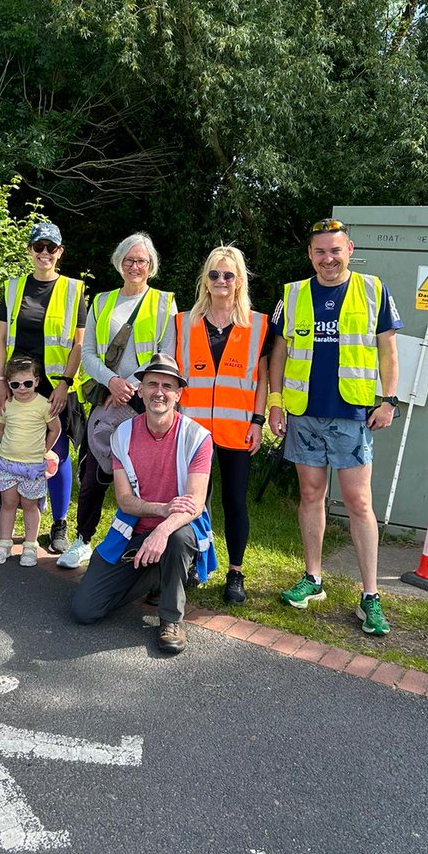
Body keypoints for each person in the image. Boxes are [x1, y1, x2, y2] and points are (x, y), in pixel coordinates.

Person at [267, 217, 402, 635]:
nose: (328, 258)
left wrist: (389, 400)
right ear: (310, 254)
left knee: (359, 503)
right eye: (320, 251)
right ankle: (313, 579)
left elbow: (388, 351)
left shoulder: (373, 289)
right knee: (310, 494)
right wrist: (274, 401)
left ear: (350, 249)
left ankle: (370, 596)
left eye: (335, 250)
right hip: (303, 413)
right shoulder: (292, 295)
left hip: (352, 414)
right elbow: (279, 353)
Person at [71, 353, 216, 655]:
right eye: (152, 384)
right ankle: (154, 573)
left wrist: (162, 530)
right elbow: (125, 500)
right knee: (85, 610)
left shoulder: (197, 436)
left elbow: (195, 503)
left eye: (167, 385)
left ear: (178, 394)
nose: (159, 392)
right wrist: (161, 510)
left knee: (176, 539)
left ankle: (170, 619)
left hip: (178, 529)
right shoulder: (122, 434)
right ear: (140, 390)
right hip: (134, 529)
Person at [59, 233, 177, 570]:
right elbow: (89, 354)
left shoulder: (165, 303)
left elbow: (164, 353)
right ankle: (83, 539)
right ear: (119, 263)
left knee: (147, 475)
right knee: (95, 469)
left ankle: (141, 540)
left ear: (151, 265)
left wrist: (131, 384)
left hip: (146, 401)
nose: (135, 266)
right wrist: (111, 382)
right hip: (108, 398)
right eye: (129, 260)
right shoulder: (101, 301)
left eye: (141, 261)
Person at [175, 246, 269, 605]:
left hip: (237, 429)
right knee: (192, 500)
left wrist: (258, 421)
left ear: (239, 280)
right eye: (214, 274)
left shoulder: (258, 324)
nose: (221, 281)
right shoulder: (183, 322)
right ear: (205, 280)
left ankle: (235, 572)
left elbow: (262, 380)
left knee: (234, 502)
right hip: (193, 431)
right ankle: (194, 563)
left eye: (228, 275)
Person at [0, 223, 87, 554]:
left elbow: (78, 344)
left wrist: (65, 383)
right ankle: (2, 516)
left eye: (51, 247)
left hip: (58, 384)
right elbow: (1, 337)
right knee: (10, 444)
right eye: (38, 247)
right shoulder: (14, 287)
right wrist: (0, 380)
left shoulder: (75, 290)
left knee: (55, 454)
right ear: (30, 250)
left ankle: (58, 523)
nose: (44, 253)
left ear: (60, 252)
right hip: (18, 381)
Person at [0, 355, 62, 568]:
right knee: (8, 504)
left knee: (30, 505)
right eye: (16, 384)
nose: (22, 388)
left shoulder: (44, 405)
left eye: (28, 383)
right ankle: (4, 543)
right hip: (7, 464)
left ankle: (30, 545)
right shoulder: (6, 404)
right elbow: (1, 429)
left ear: (37, 381)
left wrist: (44, 451)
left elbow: (55, 429)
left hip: (32, 466)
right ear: (9, 384)